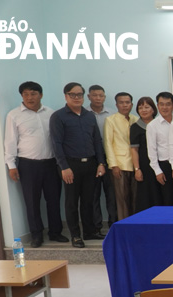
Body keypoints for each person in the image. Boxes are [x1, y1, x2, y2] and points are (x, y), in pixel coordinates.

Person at [5, 81, 68, 248]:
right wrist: (11, 164)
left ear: (41, 95)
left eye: (33, 94)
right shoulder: (14, 115)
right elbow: (10, 142)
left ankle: (55, 232)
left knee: (54, 199)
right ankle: (36, 235)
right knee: (32, 201)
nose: (29, 97)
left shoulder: (51, 113)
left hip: (51, 163)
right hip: (28, 165)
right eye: (25, 94)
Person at [50, 82, 106, 248]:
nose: (76, 97)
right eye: (72, 94)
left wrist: (101, 163)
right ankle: (75, 235)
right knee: (72, 202)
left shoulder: (89, 116)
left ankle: (89, 231)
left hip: (90, 164)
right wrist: (64, 167)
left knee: (89, 200)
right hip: (70, 165)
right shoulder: (58, 117)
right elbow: (56, 144)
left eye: (79, 94)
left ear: (84, 96)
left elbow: (97, 140)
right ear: (66, 96)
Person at [103, 92, 139, 220]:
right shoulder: (110, 120)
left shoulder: (136, 119)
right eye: (121, 102)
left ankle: (136, 224)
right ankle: (125, 225)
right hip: (120, 164)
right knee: (122, 199)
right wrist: (113, 165)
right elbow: (108, 143)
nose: (125, 105)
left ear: (132, 104)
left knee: (135, 198)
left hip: (136, 165)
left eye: (127, 102)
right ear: (116, 104)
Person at [87, 85, 116, 233]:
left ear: (104, 97)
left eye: (101, 95)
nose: (98, 98)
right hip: (92, 159)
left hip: (110, 157)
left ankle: (113, 224)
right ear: (89, 97)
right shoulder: (83, 114)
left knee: (112, 194)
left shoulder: (112, 114)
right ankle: (96, 227)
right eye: (95, 95)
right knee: (94, 194)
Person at [130, 97, 161, 213]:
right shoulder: (135, 127)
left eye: (147, 107)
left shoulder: (160, 124)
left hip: (161, 164)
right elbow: (134, 150)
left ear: (153, 109)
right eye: (140, 107)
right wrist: (137, 169)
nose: (143, 110)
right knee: (146, 196)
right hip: (144, 166)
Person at [146, 92, 173, 206]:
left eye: (168, 104)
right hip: (164, 166)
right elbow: (152, 150)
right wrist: (158, 171)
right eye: (161, 104)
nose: (165, 107)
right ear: (157, 106)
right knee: (168, 200)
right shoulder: (152, 126)